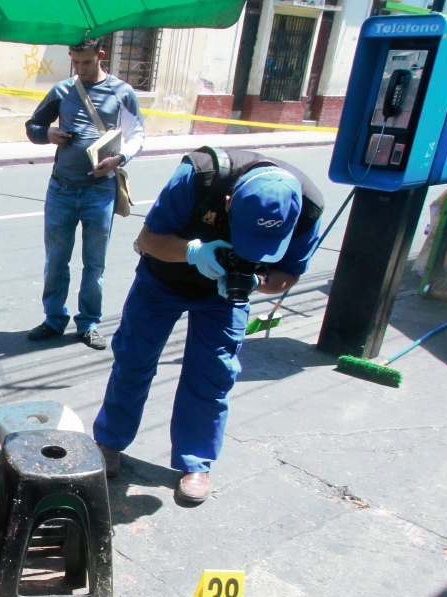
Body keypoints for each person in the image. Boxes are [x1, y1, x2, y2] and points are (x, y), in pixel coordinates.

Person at [93, 147, 324, 504]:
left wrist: (255, 282)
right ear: (229, 202)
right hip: (163, 281)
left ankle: (196, 461)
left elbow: (287, 275)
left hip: (226, 296)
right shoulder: (199, 175)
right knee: (134, 360)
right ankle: (109, 441)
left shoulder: (307, 209)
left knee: (213, 375)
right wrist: (193, 253)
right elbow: (147, 240)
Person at [24, 37, 145, 350]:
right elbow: (33, 126)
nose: (80, 69)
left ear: (100, 56)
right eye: (75, 62)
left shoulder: (123, 92)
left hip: (99, 192)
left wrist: (120, 159)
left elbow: (136, 136)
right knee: (56, 261)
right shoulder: (63, 90)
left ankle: (89, 322)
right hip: (61, 189)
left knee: (94, 263)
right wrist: (48, 134)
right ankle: (54, 319)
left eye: (86, 62)